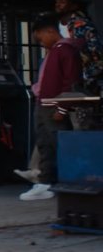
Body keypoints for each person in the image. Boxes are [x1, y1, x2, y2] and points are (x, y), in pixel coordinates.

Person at [19, 17, 81, 201]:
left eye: (40, 39)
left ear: (50, 32)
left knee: (59, 144)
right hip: (43, 103)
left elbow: (71, 82)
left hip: (54, 105)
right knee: (44, 144)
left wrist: (62, 108)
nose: (41, 43)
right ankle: (44, 183)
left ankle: (71, 182)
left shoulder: (65, 51)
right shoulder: (53, 52)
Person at [55, 0, 103, 95]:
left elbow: (97, 54)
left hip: (85, 82)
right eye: (57, 1)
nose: (58, 5)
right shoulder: (54, 26)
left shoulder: (83, 25)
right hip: (63, 81)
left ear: (74, 6)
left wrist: (89, 76)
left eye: (62, 2)